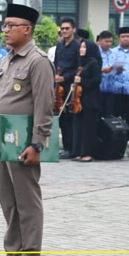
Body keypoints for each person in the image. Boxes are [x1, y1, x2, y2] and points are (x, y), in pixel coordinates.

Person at [0, 3, 52, 256]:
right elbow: (1, 102)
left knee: (27, 200)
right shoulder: (7, 59)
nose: (5, 30)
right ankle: (13, 253)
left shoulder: (39, 61)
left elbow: (44, 107)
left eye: (11, 25)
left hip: (23, 142)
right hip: (3, 140)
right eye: (5, 25)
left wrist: (37, 144)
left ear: (27, 29)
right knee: (9, 201)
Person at [71, 38, 102, 162]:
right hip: (80, 100)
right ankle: (79, 152)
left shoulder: (93, 63)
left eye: (84, 47)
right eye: (81, 47)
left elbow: (96, 81)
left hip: (90, 100)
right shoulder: (81, 63)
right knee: (79, 127)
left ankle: (88, 153)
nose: (81, 49)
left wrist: (82, 82)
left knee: (88, 128)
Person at [53, 17, 79, 158]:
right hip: (59, 85)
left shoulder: (76, 46)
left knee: (70, 117)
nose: (64, 31)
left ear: (73, 29)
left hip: (70, 85)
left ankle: (71, 148)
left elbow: (78, 67)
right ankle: (65, 146)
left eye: (67, 28)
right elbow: (57, 63)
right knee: (61, 117)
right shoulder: (60, 45)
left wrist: (65, 77)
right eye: (62, 29)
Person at [98, 31, 116, 117]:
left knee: (109, 114)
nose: (109, 44)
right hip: (99, 88)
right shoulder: (95, 52)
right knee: (99, 113)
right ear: (100, 40)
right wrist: (101, 70)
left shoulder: (114, 53)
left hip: (111, 88)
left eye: (110, 42)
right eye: (106, 41)